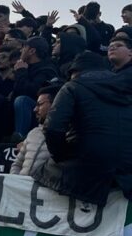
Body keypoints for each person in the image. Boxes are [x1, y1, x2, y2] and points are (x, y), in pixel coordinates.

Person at [34, 55, 132, 207]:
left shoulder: (72, 87)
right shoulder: (127, 88)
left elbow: (52, 128)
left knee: (39, 171)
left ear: (75, 72)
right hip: (126, 170)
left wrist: (61, 155)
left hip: (86, 168)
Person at [10, 36, 58, 139]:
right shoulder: (24, 66)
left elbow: (30, 91)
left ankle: (20, 136)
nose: (21, 50)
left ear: (32, 51)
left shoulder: (47, 70)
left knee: (22, 100)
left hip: (36, 111)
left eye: (24, 48)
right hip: (19, 112)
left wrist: (21, 72)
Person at [10, 85, 59, 177]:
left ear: (55, 104)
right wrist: (16, 181)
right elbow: (17, 164)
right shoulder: (33, 133)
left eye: (40, 104)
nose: (35, 109)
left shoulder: (67, 135)